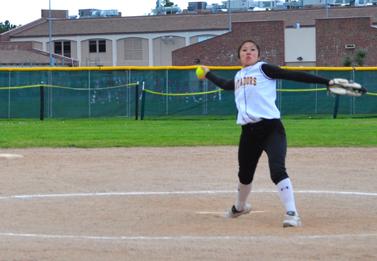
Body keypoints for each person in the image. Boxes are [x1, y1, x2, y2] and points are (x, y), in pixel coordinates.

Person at [199, 40, 334, 227]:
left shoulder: (264, 69)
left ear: (258, 55)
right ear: (239, 57)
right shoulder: (239, 76)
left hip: (271, 129)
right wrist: (208, 74)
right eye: (244, 50)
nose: (248, 52)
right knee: (244, 175)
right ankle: (240, 206)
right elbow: (224, 84)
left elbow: (293, 75)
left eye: (252, 50)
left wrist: (326, 82)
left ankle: (292, 213)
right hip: (248, 132)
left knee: (277, 170)